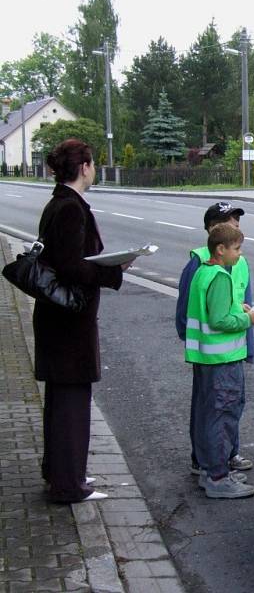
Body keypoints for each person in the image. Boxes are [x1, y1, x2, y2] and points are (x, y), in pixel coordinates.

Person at [35, 139, 132, 503]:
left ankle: (63, 470)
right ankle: (69, 485)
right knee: (72, 402)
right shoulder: (71, 209)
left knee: (61, 400)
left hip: (57, 319)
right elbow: (73, 266)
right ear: (85, 166)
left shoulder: (58, 203)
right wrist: (114, 270)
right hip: (69, 321)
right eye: (92, 164)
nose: (94, 169)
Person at [176, 202, 254, 479]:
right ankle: (212, 467)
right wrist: (247, 319)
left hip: (227, 350)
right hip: (215, 353)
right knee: (215, 409)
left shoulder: (237, 263)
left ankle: (224, 458)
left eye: (236, 220)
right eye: (228, 221)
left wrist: (243, 315)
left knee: (227, 406)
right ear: (214, 233)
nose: (235, 225)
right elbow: (195, 312)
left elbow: (239, 299)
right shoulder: (202, 264)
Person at [185, 223, 254, 498]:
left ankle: (211, 469)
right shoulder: (220, 276)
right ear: (220, 250)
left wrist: (236, 306)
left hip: (210, 358)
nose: (240, 254)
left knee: (211, 413)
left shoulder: (205, 271)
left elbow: (213, 310)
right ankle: (218, 478)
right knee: (222, 415)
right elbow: (219, 320)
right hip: (222, 359)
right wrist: (248, 318)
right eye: (236, 248)